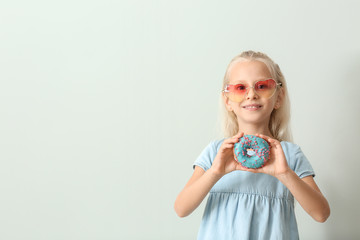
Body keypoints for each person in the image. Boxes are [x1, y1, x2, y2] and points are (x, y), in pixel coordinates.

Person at [174, 50, 330, 240]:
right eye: (240, 88)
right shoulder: (216, 152)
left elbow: (321, 214)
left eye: (262, 86)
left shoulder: (289, 155)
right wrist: (215, 172)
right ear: (228, 101)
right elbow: (181, 209)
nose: (251, 94)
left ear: (278, 97)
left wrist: (284, 174)